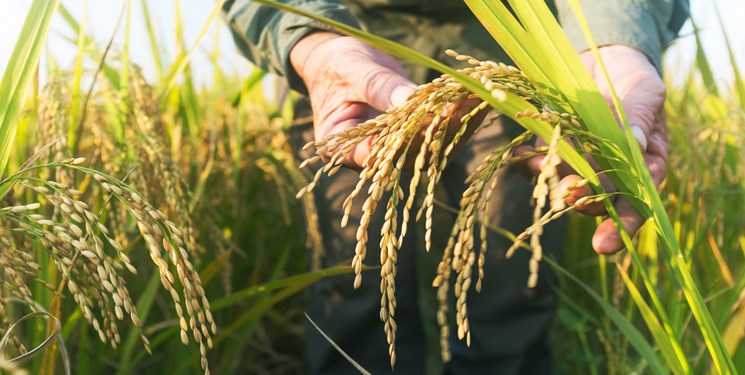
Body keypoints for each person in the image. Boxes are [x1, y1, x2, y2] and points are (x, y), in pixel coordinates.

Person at [222, 1, 689, 373]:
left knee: (509, 283)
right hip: (343, 42)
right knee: (353, 281)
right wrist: (312, 40)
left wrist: (611, 46)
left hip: (510, 51)